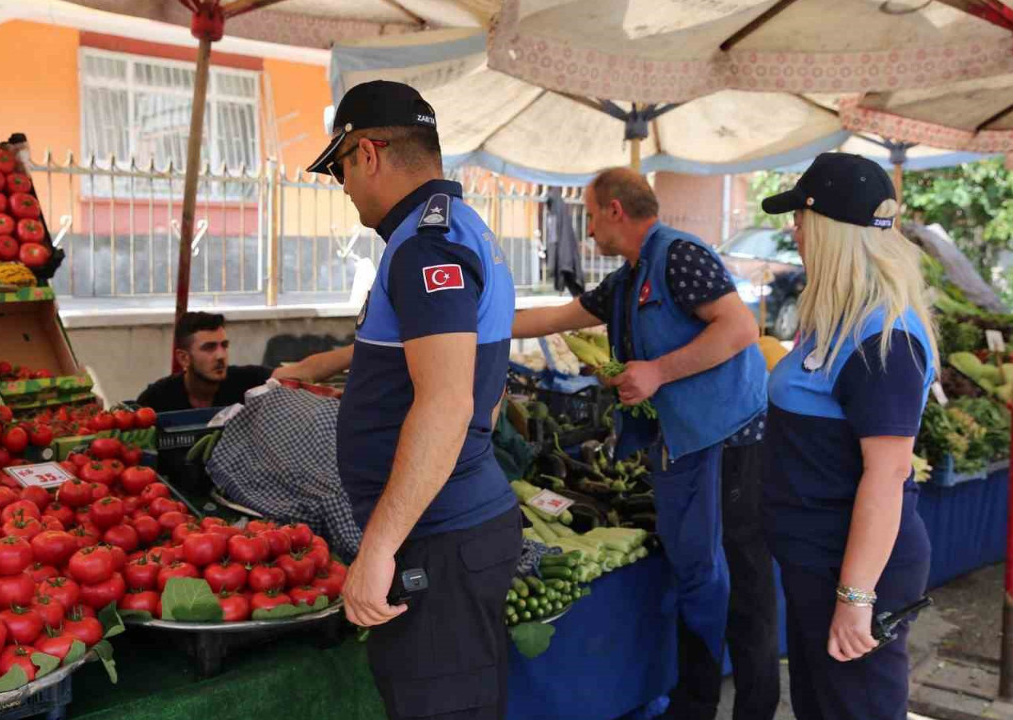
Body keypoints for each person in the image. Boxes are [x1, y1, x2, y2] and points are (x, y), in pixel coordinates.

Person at [511, 168, 778, 720]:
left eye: (588, 216)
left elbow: (739, 328)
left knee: (739, 575)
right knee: (699, 575)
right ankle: (696, 701)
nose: (586, 232)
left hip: (729, 441)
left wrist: (657, 371)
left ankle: (752, 706)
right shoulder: (629, 278)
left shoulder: (679, 255)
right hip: (684, 443)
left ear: (615, 210)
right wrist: (479, 325)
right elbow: (557, 317)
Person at [304, 80, 520, 720]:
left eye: (340, 167)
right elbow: (488, 388)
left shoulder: (426, 245)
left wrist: (377, 548)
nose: (342, 186)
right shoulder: (457, 227)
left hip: (438, 539)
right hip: (448, 530)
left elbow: (448, 403)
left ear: (367, 153)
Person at [758, 152, 936, 720]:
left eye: (802, 218)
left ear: (831, 229)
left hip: (853, 569)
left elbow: (888, 474)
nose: (795, 230)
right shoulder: (837, 317)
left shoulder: (882, 337)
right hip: (819, 561)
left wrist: (856, 599)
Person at [136, 311, 271, 412]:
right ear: (184, 358)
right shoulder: (156, 399)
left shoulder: (247, 381)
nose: (220, 355)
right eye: (209, 348)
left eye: (224, 345)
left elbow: (285, 374)